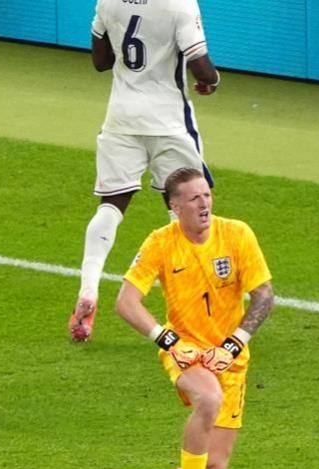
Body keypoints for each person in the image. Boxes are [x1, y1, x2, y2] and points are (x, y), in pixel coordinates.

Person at [115, 167, 275, 469]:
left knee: (214, 467)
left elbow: (264, 297)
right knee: (208, 398)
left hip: (230, 357)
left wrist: (234, 346)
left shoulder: (236, 234)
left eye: (207, 195)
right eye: (194, 198)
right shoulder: (160, 242)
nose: (204, 203)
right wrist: (168, 340)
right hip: (185, 350)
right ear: (175, 206)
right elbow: (126, 302)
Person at [69, 0, 221, 342]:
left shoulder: (108, 1)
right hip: (168, 122)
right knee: (189, 209)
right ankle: (193, 308)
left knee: (110, 206)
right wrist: (213, 81)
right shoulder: (180, 5)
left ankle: (89, 289)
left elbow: (100, 61)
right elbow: (202, 68)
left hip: (121, 118)